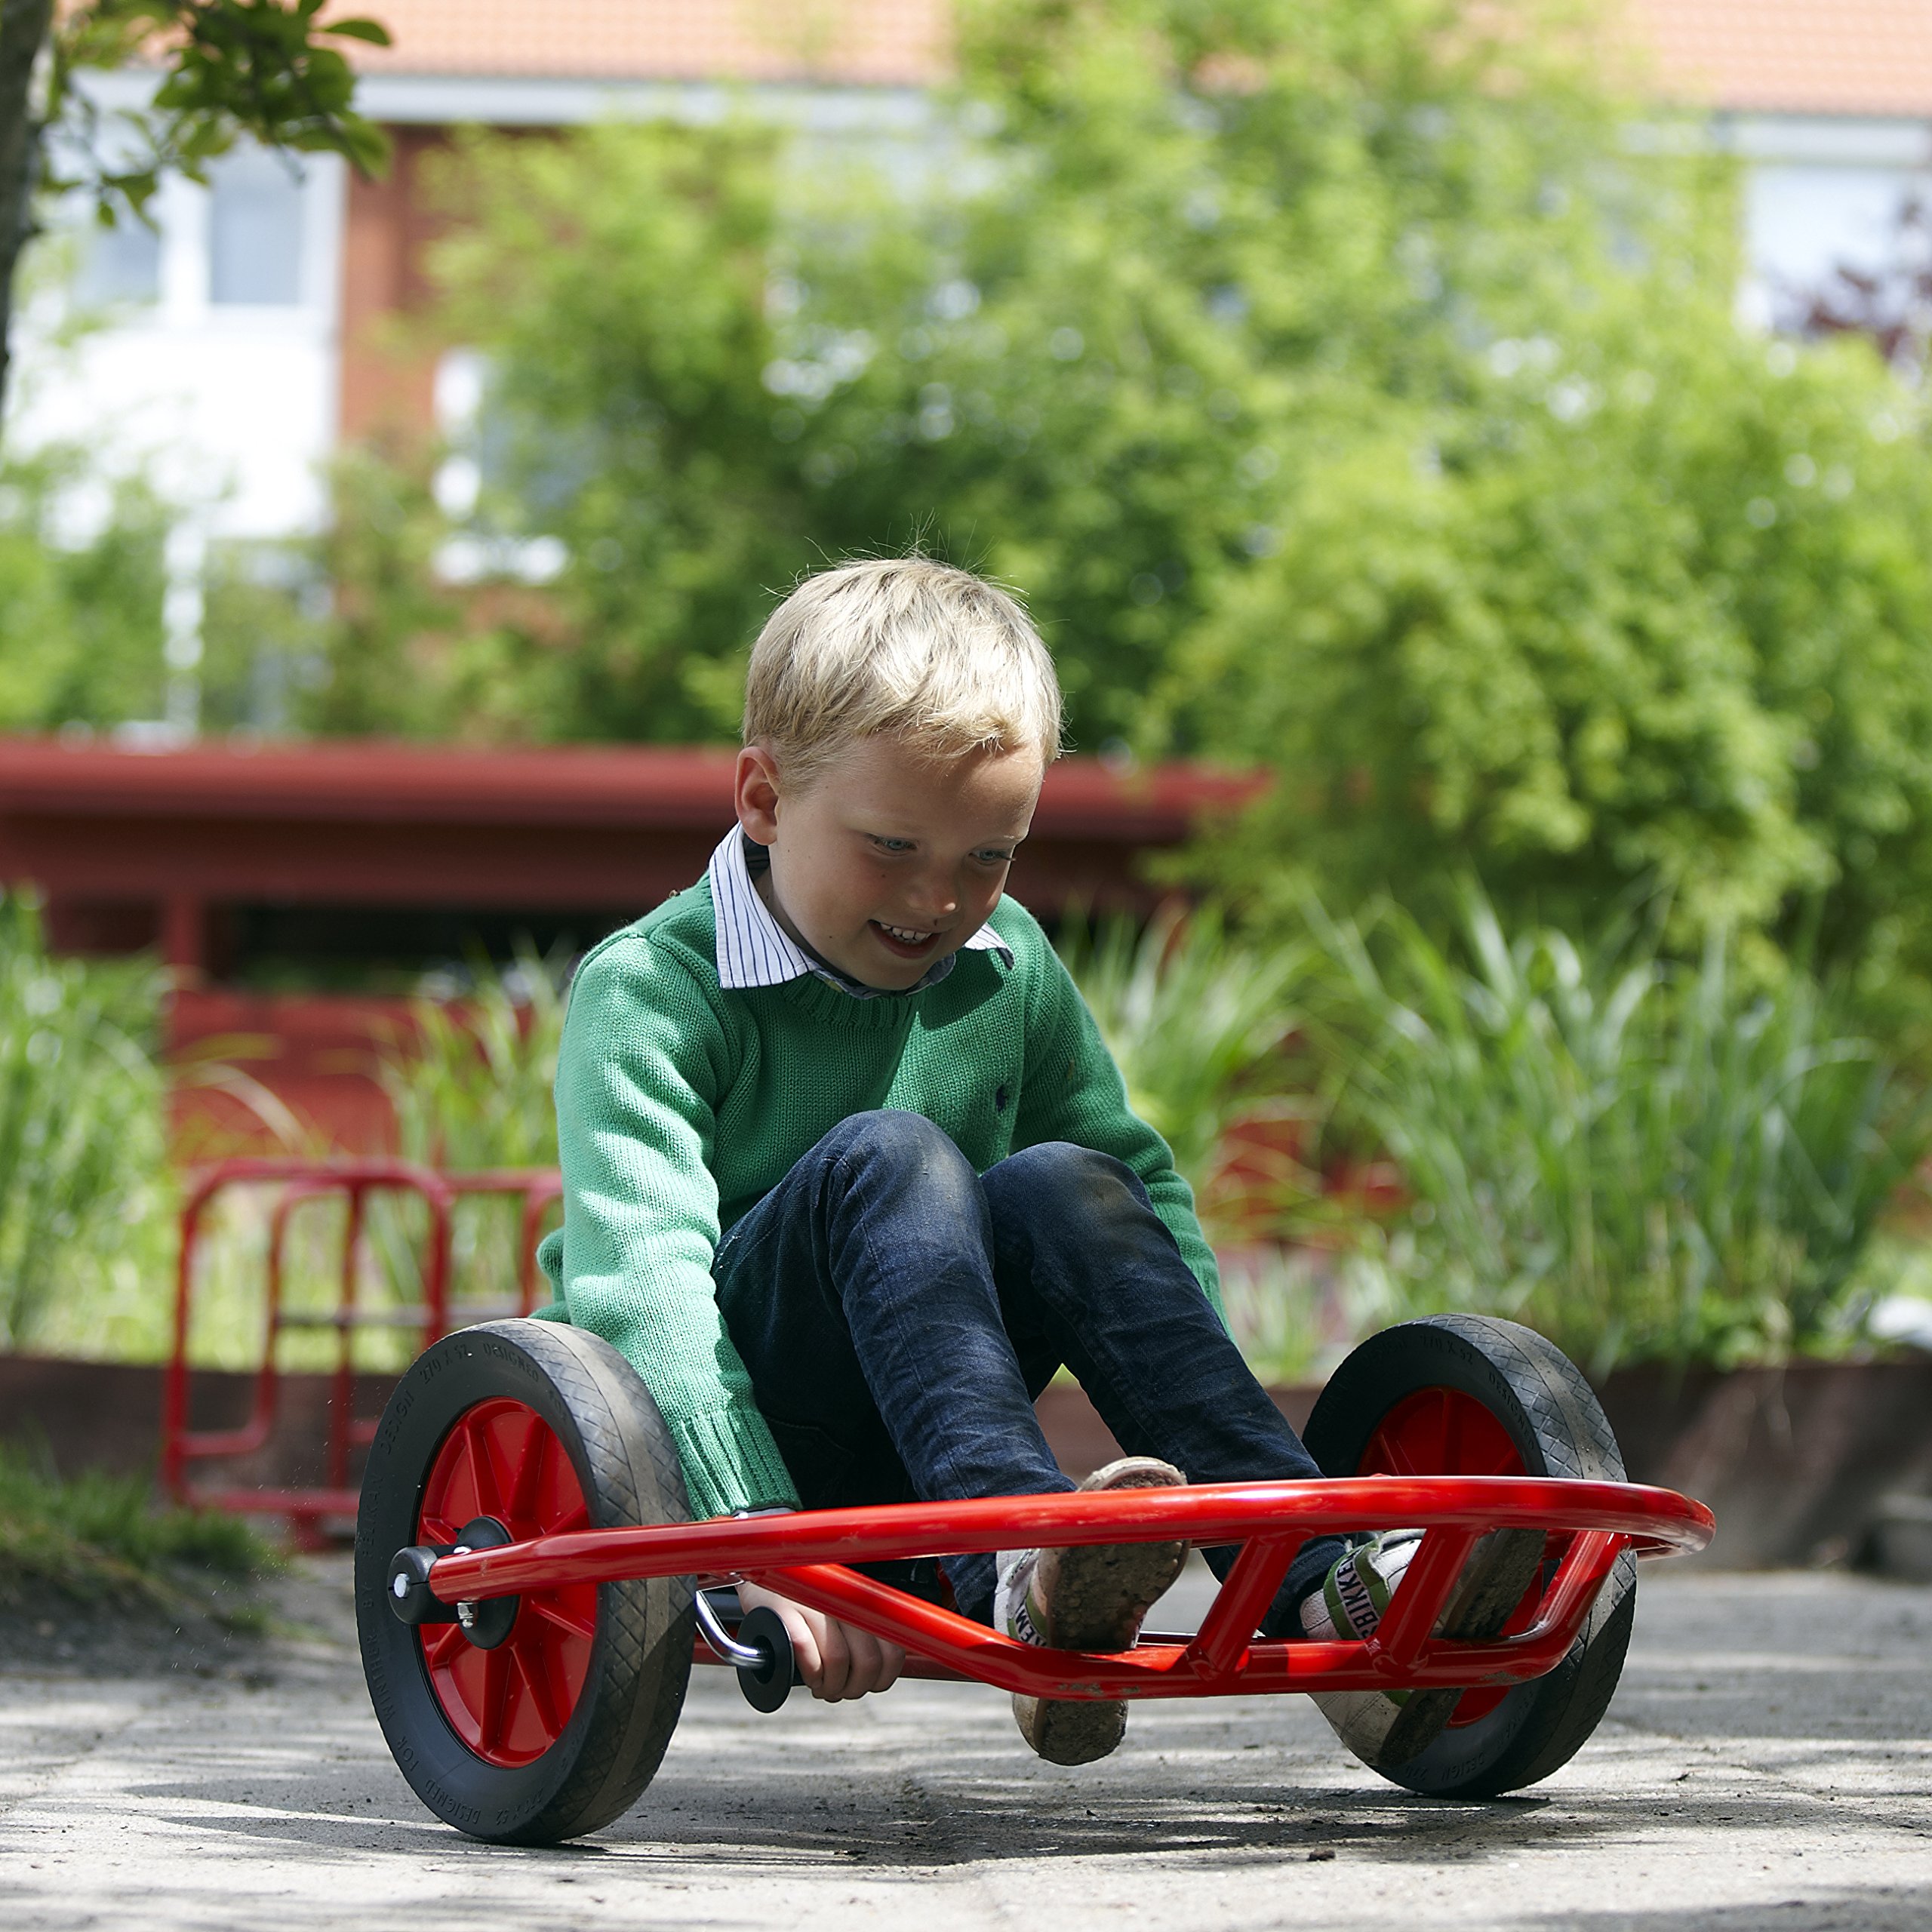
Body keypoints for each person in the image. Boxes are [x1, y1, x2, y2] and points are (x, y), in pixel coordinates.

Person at [535, 557, 1537, 1767]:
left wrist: (1183, 1392)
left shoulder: (1007, 962)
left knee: (1067, 1182)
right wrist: (759, 1533)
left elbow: (1137, 1187)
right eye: (894, 844)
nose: (940, 899)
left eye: (988, 856)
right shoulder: (653, 992)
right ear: (762, 796)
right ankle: (1017, 1563)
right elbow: (639, 1279)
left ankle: (1314, 1582)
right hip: (751, 1449)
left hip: (930, 1447)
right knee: (893, 1157)